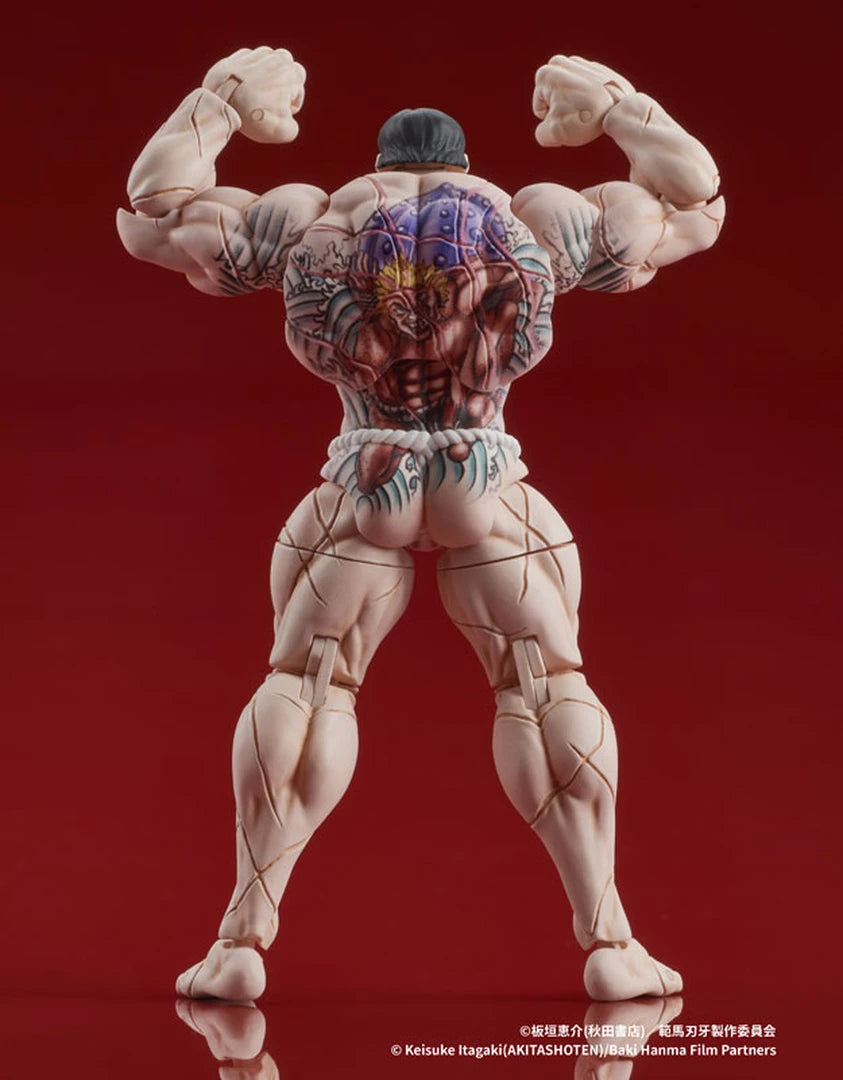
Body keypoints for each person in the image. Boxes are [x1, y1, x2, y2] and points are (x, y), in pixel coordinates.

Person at [118, 47, 724, 1002]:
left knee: (305, 680)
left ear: (378, 159)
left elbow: (153, 214)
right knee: (543, 682)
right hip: (483, 467)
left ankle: (240, 942)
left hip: (368, 466)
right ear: (464, 160)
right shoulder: (531, 222)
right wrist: (615, 105)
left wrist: (222, 100)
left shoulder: (313, 222)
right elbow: (695, 205)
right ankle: (610, 944)